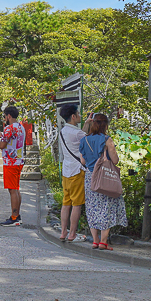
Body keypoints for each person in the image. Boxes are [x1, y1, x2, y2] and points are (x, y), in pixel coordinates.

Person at [78, 113, 128, 249]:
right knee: (106, 207)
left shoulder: (84, 140)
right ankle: (103, 242)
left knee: (92, 208)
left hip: (90, 177)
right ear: (105, 125)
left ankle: (95, 240)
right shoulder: (107, 140)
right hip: (104, 177)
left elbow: (83, 161)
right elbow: (116, 160)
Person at [0, 105, 25, 226]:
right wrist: (1, 135)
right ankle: (17, 215)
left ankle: (14, 216)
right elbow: (10, 140)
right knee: (15, 188)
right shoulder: (20, 127)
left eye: (5, 116)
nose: (5, 118)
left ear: (8, 116)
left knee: (12, 190)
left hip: (10, 161)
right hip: (18, 160)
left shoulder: (9, 128)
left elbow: (2, 145)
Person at [57, 105, 88, 242]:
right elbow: (88, 141)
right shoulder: (78, 133)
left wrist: (86, 124)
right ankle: (72, 234)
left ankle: (64, 232)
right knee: (77, 205)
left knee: (66, 203)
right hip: (77, 171)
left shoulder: (63, 131)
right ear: (73, 116)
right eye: (78, 113)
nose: (80, 115)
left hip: (66, 171)